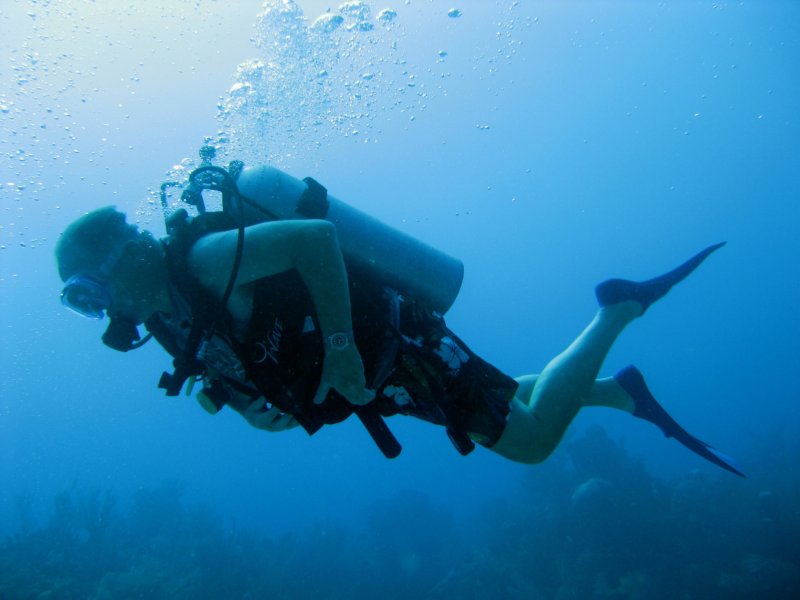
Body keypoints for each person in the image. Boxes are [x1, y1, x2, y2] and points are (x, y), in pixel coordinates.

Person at [55, 190, 743, 476]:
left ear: (120, 259)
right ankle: (619, 393)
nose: (99, 312)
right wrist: (254, 412)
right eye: (81, 304)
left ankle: (616, 311)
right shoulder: (165, 317)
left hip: (391, 343)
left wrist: (341, 349)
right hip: (372, 379)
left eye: (90, 292)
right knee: (498, 399)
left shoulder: (204, 261)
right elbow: (226, 369)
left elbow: (315, 238)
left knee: (530, 442)